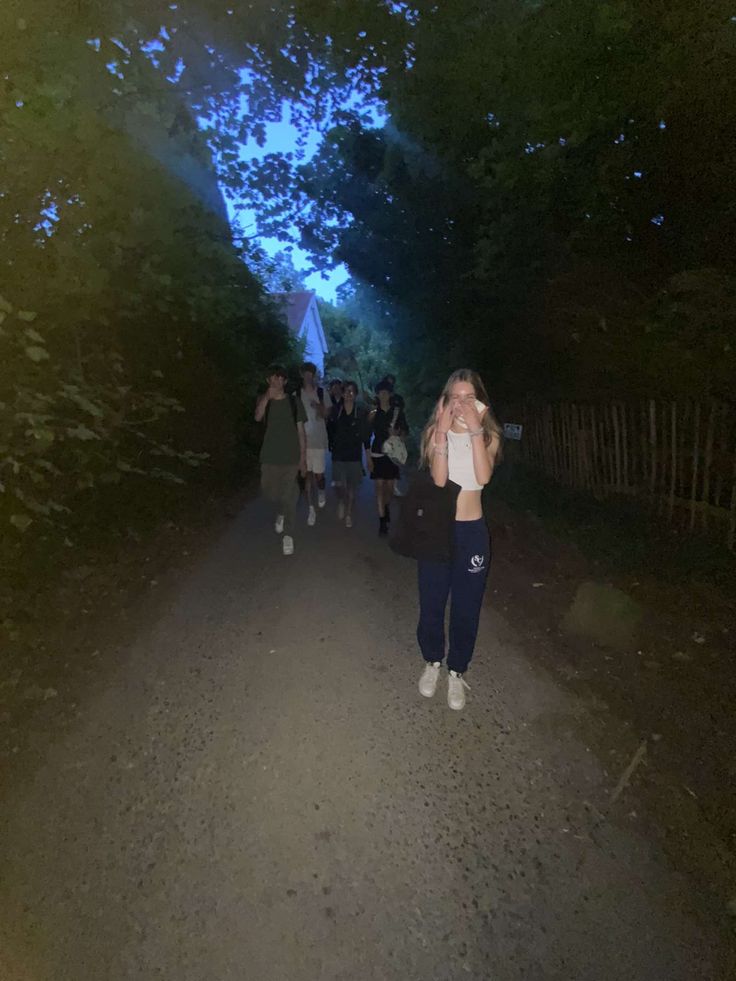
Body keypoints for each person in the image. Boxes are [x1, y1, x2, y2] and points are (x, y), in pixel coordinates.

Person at [415, 369, 502, 710]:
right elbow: (439, 481)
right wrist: (440, 431)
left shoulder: (489, 436)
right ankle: (432, 661)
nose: (462, 404)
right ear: (445, 401)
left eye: (469, 397)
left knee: (467, 607)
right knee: (432, 602)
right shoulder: (438, 434)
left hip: (472, 532)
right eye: (456, 397)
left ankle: (456, 670)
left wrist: (476, 430)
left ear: (480, 402)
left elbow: (482, 476)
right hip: (438, 531)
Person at [254, 365, 307, 556]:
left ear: (284, 381)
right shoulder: (264, 400)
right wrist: (266, 398)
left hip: (291, 457)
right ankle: (282, 512)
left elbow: (301, 432)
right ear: (268, 381)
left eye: (279, 379)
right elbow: (257, 417)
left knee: (289, 495)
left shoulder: (294, 403)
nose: (275, 382)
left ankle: (288, 535)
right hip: (269, 456)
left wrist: (303, 459)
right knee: (270, 493)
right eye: (272, 379)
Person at [367, 378, 408, 536]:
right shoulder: (373, 414)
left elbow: (405, 433)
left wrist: (397, 434)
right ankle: (382, 520)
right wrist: (368, 457)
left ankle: (386, 507)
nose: (383, 395)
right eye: (380, 393)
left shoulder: (397, 413)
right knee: (379, 487)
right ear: (377, 395)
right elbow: (365, 437)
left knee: (390, 488)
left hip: (392, 454)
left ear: (390, 394)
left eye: (386, 393)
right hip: (377, 452)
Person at [329, 380, 369, 528]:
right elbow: (330, 429)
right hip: (338, 454)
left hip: (354, 455)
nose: (349, 394)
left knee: (352, 486)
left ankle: (349, 513)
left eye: (352, 391)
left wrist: (368, 458)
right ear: (342, 392)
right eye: (346, 391)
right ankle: (340, 501)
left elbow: (365, 436)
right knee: (338, 485)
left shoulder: (361, 412)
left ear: (356, 394)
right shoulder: (336, 410)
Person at [297, 361, 332, 526]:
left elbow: (327, 414)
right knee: (306, 475)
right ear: (302, 375)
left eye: (311, 374)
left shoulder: (321, 392)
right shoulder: (296, 394)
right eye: (306, 373)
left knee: (319, 475)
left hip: (318, 440)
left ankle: (322, 491)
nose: (308, 377)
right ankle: (311, 508)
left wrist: (318, 406)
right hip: (302, 440)